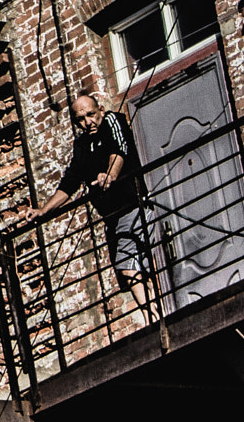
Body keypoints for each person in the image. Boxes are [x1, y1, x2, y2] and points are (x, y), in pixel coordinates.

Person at [22, 93, 154, 314]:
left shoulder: (113, 121)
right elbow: (70, 182)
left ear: (100, 110)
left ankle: (153, 315)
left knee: (127, 266)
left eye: (91, 115)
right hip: (112, 218)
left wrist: (109, 176)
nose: (88, 122)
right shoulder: (82, 144)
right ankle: (157, 313)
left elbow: (119, 150)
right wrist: (43, 211)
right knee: (135, 271)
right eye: (81, 119)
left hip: (132, 207)